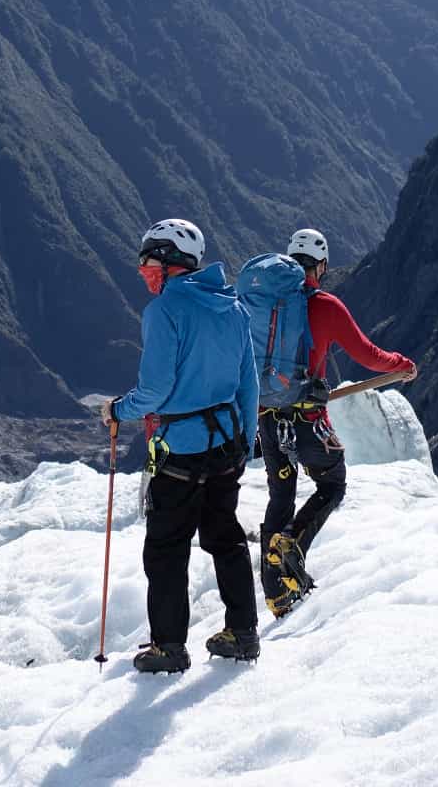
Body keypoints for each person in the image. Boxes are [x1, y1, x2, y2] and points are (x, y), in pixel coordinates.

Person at [107, 219, 261, 672]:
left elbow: (154, 391)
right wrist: (245, 442)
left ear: (168, 260)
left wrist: (119, 410)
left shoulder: (165, 311)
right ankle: (243, 632)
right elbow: (248, 384)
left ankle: (169, 648)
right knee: (225, 536)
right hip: (228, 442)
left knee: (167, 548)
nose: (143, 270)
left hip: (183, 449)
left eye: (148, 260)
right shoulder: (232, 307)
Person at [258, 228, 416, 616]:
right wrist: (402, 366)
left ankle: (276, 593)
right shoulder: (326, 306)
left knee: (280, 498)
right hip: (308, 418)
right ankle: (292, 543)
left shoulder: (262, 305)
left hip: (267, 416)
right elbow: (368, 355)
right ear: (322, 266)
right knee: (331, 484)